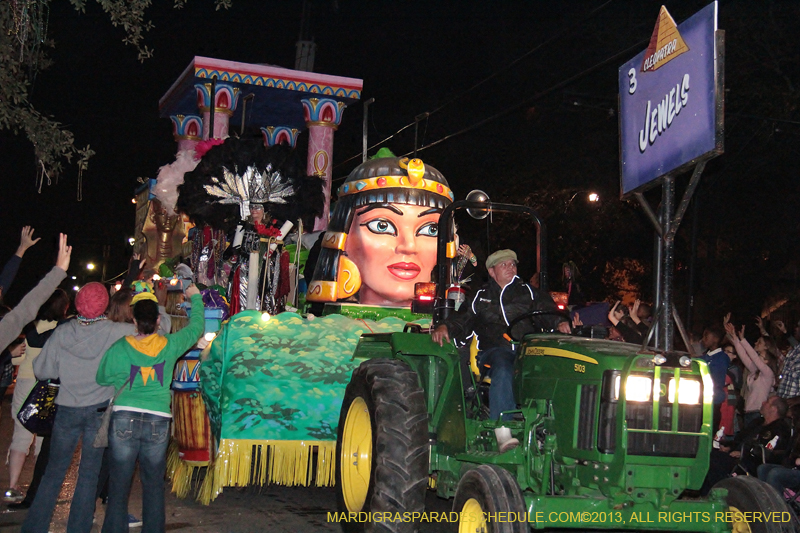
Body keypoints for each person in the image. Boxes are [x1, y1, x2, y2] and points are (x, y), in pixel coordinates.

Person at [20, 280, 170, 533]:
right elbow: (159, 331)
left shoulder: (63, 332)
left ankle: (34, 528)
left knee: (53, 473)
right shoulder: (115, 331)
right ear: (105, 305)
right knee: (88, 476)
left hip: (66, 409)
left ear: (77, 305)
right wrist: (156, 304)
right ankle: (78, 528)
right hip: (99, 411)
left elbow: (42, 369)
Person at [432, 249, 570, 452]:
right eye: (504, 265)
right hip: (494, 352)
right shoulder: (481, 296)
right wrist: (445, 326)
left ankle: (553, 431)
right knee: (505, 366)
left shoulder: (528, 292)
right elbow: (462, 319)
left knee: (556, 368)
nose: (510, 268)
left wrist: (560, 323)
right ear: (491, 271)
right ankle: (502, 429)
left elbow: (548, 311)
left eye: (512, 264)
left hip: (527, 352)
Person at [97, 285, 205, 533]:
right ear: (158, 320)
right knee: (154, 485)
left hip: (123, 418)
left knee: (119, 486)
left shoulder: (120, 347)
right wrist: (195, 298)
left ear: (133, 320)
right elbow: (196, 327)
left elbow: (102, 377)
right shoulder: (170, 344)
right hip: (158, 421)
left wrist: (120, 379)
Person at [307, 149, 452, 307]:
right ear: (344, 236)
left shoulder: (454, 327)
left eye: (431, 230)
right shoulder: (323, 328)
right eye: (382, 226)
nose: (409, 246)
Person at [4, 289, 69, 504]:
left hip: (25, 383)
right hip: (49, 386)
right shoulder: (63, 329)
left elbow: (16, 360)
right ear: (63, 307)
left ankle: (12, 487)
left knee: (21, 436)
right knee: (44, 437)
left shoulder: (30, 328)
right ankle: (39, 488)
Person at [702, 395, 791, 494]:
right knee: (709, 454)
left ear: (773, 409)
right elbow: (740, 438)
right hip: (737, 455)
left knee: (715, 460)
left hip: (752, 462)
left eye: (767, 402)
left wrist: (743, 453)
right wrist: (728, 446)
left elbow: (769, 454)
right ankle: (707, 493)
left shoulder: (780, 429)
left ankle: (719, 494)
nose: (763, 403)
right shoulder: (757, 422)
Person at [725, 318, 777, 427]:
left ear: (767, 360)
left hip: (757, 413)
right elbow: (744, 356)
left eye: (759, 342)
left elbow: (753, 357)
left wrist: (743, 340)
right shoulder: (756, 371)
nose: (756, 343)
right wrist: (735, 337)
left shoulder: (768, 373)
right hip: (748, 412)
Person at [698, 324, 729, 433]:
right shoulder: (704, 357)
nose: (703, 339)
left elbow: (715, 380)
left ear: (715, 339)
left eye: (706, 336)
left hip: (712, 403)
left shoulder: (721, 358)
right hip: (701, 401)